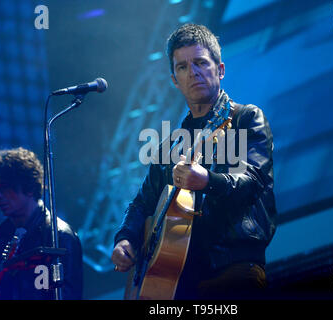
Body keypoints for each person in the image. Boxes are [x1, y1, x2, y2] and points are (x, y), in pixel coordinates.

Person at [111, 23, 277, 299]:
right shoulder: (172, 144)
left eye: (201, 62)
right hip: (178, 279)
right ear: (175, 80)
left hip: (234, 270)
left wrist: (208, 181)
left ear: (220, 70)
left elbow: (255, 180)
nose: (193, 73)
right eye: (183, 67)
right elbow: (142, 203)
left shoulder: (245, 119)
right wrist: (124, 239)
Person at [0, 147, 83, 300]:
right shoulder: (1, 234)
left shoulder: (59, 235)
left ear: (28, 187)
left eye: (4, 187)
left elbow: (68, 295)